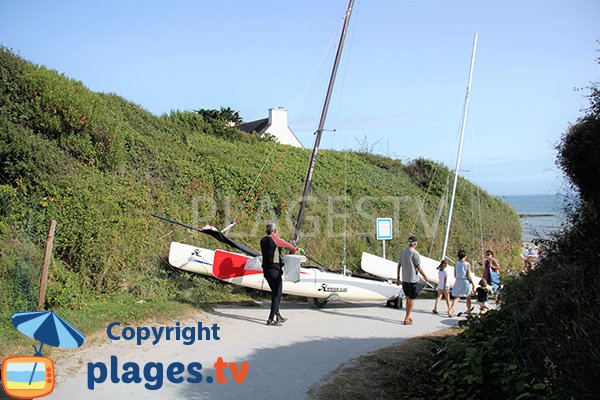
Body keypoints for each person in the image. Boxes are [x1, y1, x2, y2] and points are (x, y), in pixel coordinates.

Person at [260, 222, 297, 326]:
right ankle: (271, 319)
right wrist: (291, 254)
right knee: (277, 294)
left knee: (275, 293)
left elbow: (272, 251)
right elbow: (293, 248)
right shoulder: (275, 239)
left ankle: (278, 315)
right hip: (274, 272)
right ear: (274, 231)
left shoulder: (262, 240)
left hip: (266, 271)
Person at [397, 236, 430, 325]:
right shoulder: (415, 253)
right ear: (415, 244)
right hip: (412, 280)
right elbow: (418, 267)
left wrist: (398, 278)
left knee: (408, 298)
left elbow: (399, 265)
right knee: (411, 299)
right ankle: (406, 318)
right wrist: (425, 276)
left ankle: (407, 316)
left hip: (405, 279)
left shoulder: (403, 252)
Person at [449, 250, 475, 317]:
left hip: (458, 280)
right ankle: (469, 311)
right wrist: (472, 282)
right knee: (468, 296)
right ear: (465, 256)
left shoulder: (456, 263)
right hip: (465, 280)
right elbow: (468, 275)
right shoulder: (467, 264)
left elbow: (455, 274)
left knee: (457, 296)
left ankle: (451, 309)